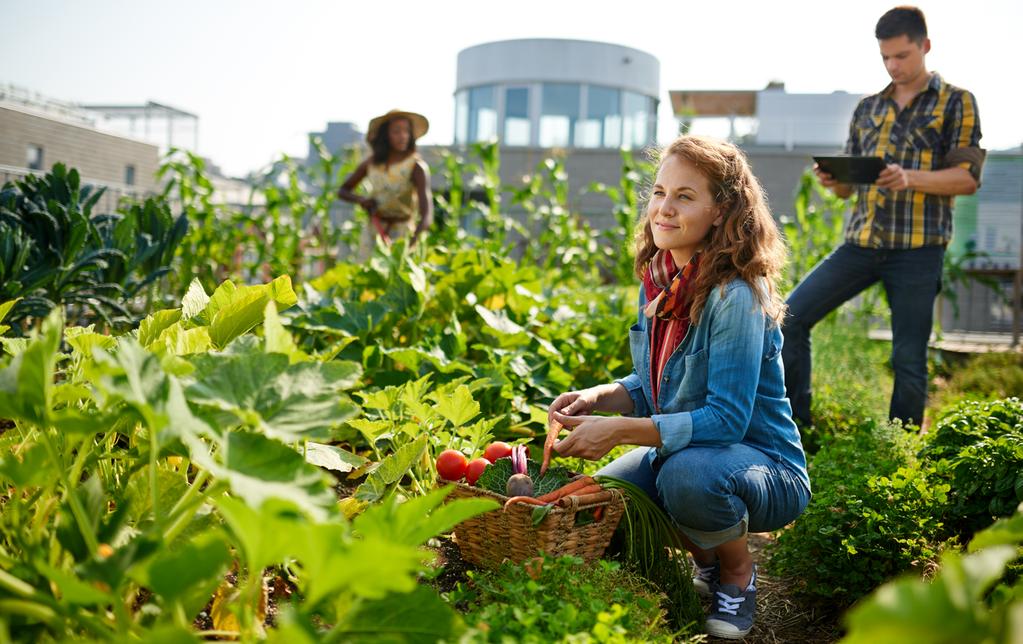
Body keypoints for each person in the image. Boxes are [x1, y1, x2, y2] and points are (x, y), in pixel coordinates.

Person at [548, 135, 811, 639]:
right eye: (659, 193)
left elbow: (727, 420)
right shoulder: (662, 281)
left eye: (685, 197)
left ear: (721, 211)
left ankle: (736, 572)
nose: (664, 209)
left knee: (685, 477)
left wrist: (620, 431)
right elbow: (656, 384)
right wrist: (601, 398)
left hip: (764, 465)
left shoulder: (735, 295)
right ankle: (706, 554)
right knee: (609, 500)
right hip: (692, 452)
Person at [782, 6, 984, 428]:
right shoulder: (868, 108)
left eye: (903, 56)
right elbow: (847, 188)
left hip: (917, 251)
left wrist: (909, 177)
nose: (894, 66)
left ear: (925, 47)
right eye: (886, 58)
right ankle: (796, 429)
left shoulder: (957, 102)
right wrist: (834, 180)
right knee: (788, 319)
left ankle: (902, 447)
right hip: (861, 244)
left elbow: (966, 179)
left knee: (908, 357)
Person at [337, 109, 433, 251]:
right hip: (374, 231)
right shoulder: (372, 164)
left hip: (402, 234)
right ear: (385, 135)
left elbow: (427, 215)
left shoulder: (416, 167)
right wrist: (362, 200)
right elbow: (343, 191)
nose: (403, 136)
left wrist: (413, 240)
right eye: (396, 131)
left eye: (406, 131)